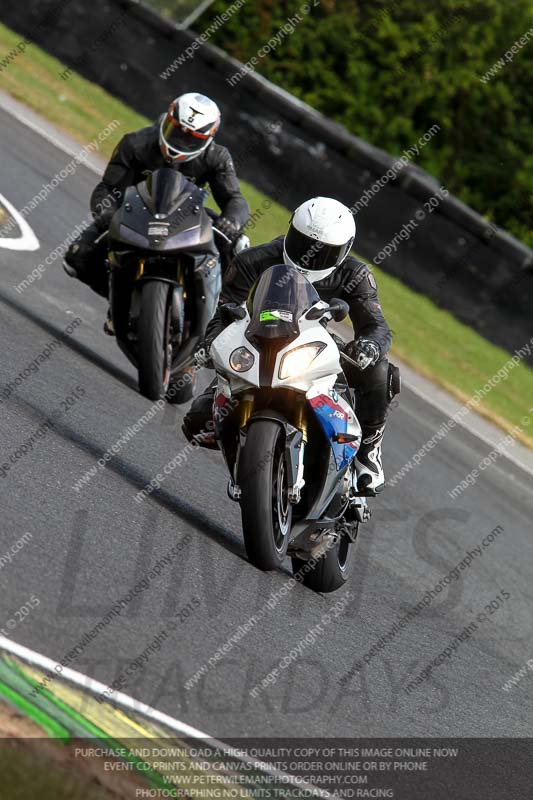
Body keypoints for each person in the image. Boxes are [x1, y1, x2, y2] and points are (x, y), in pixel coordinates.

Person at [183, 196, 399, 495]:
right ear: (291, 232)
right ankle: (246, 459)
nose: (310, 257)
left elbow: (376, 325)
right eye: (303, 243)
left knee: (381, 370)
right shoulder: (253, 260)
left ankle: (368, 451)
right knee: (198, 421)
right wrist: (211, 343)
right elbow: (223, 311)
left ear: (344, 250)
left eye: (324, 253)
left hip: (317, 346)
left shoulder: (355, 274)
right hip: (257, 342)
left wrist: (368, 347)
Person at [63, 92, 250, 319]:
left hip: (186, 213)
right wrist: (106, 211)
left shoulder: (216, 157)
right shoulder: (135, 143)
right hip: (134, 209)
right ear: (168, 120)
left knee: (237, 243)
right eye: (176, 131)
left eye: (191, 138)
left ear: (208, 138)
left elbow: (234, 198)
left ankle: (221, 311)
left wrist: (231, 221)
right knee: (77, 258)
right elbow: (108, 189)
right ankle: (120, 299)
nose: (180, 142)